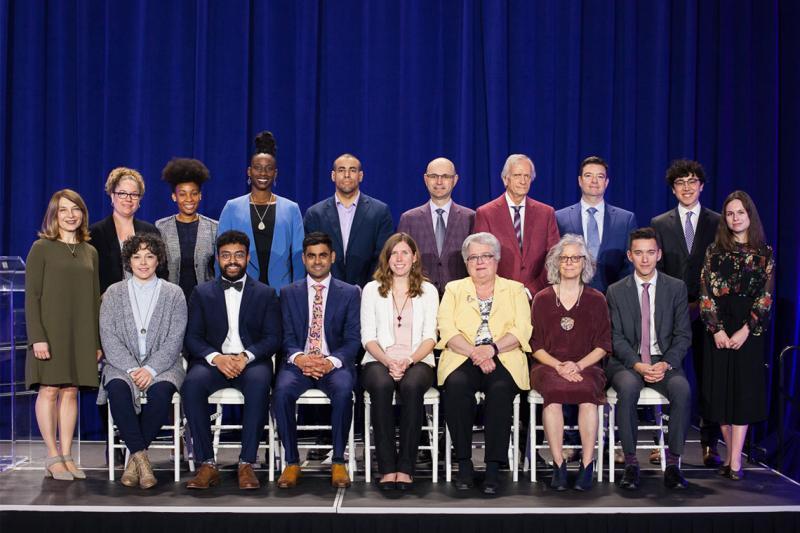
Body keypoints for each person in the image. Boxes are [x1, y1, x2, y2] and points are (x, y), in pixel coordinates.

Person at [181, 230, 281, 490]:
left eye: (238, 255)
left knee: (260, 385)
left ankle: (247, 463)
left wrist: (245, 357)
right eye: (226, 255)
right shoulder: (201, 293)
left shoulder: (265, 293)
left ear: (248, 258)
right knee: (192, 385)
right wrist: (217, 358)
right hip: (213, 362)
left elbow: (273, 338)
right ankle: (207, 464)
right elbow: (192, 338)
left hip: (251, 361)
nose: (232, 260)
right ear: (218, 259)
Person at [437, 232, 532, 495]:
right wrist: (475, 353)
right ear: (466, 263)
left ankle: (493, 468)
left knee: (500, 390)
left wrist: (490, 349)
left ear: (497, 260)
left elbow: (522, 329)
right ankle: (464, 465)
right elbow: (446, 328)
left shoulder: (514, 290)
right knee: (456, 387)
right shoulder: (455, 289)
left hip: (504, 355)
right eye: (473, 258)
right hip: (463, 355)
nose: (480, 262)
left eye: (486, 256)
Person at [97, 233, 187, 489]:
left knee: (160, 395)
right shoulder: (113, 293)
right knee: (117, 389)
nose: (143, 262)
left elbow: (175, 339)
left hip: (164, 366)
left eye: (149, 256)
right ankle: (142, 461)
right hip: (122, 365)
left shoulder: (174, 294)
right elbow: (109, 337)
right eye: (137, 257)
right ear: (129, 261)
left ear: (158, 259)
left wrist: (150, 368)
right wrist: (133, 368)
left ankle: (133, 463)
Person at [606, 227, 692, 490]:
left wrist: (666, 363)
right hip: (628, 361)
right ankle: (631, 463)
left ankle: (674, 464)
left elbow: (683, 335)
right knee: (629, 389)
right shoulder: (616, 291)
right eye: (639, 253)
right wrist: (638, 364)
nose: (645, 259)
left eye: (650, 253)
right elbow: (616, 337)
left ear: (659, 254)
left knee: (682, 390)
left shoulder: (675, 288)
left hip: (663, 360)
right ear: (630, 256)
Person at [273, 232, 362, 489]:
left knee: (345, 391)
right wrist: (301, 358)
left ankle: (337, 460)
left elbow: (352, 339)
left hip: (333, 364)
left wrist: (330, 361)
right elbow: (286, 336)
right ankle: (291, 462)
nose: (317, 261)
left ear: (332, 257)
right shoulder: (289, 292)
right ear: (303, 259)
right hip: (299, 364)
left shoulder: (349, 293)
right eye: (311, 256)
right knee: (281, 392)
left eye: (323, 255)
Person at [25, 189, 102, 480]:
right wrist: (37, 337)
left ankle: (68, 454)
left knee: (71, 391)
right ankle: (52, 456)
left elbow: (95, 298)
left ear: (83, 213)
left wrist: (95, 342)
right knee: (50, 390)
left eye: (76, 209)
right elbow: (32, 297)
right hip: (50, 332)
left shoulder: (90, 251)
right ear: (54, 215)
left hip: (81, 333)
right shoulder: (41, 248)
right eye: (63, 210)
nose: (70, 215)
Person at [651, 159, 722, 467]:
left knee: (709, 379)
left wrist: (702, 304)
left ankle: (709, 444)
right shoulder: (660, 223)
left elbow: (721, 270)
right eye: (681, 183)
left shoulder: (718, 222)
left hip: (709, 314)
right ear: (673, 189)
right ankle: (660, 443)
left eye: (692, 181)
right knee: (665, 376)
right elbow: (657, 268)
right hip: (671, 313)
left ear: (701, 185)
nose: (687, 187)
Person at [699, 191, 774, 481]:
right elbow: (705, 292)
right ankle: (731, 455)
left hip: (749, 330)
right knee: (720, 396)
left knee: (741, 395)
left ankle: (736, 463)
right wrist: (716, 329)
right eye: (730, 213)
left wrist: (746, 330)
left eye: (740, 212)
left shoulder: (764, 253)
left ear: (749, 215)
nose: (735, 218)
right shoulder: (713, 251)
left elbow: (766, 298)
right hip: (717, 328)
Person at [530, 234, 611, 491]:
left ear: (584, 263)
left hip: (586, 366)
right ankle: (558, 465)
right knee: (553, 393)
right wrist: (559, 366)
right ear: (556, 262)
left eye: (576, 258)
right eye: (564, 258)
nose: (569, 263)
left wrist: (577, 366)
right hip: (548, 366)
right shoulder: (542, 298)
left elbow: (603, 345)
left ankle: (587, 465)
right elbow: (535, 346)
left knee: (588, 394)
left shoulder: (596, 299)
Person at [360, 233, 439, 490]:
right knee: (381, 387)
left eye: (405, 252)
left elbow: (430, 337)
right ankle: (386, 467)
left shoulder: (428, 291)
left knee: (411, 387)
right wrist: (387, 360)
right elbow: (367, 336)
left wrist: (407, 360)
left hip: (418, 359)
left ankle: (406, 466)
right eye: (394, 253)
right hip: (377, 358)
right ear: (387, 258)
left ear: (414, 257)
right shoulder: (372, 290)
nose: (399, 258)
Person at [217, 131, 305, 289]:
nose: (263, 173)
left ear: (275, 173)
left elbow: (298, 259)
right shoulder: (232, 208)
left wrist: (296, 294)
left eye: (268, 168)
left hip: (281, 294)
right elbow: (220, 254)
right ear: (249, 171)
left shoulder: (291, 209)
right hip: (241, 292)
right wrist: (221, 291)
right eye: (257, 168)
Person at [474, 154, 560, 299]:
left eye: (527, 176)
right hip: (499, 297)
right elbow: (481, 259)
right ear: (505, 179)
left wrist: (531, 290)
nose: (523, 181)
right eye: (517, 175)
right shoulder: (485, 213)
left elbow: (554, 258)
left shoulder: (546, 213)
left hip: (537, 297)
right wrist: (504, 291)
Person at [304, 153, 394, 287]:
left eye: (352, 170)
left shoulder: (380, 212)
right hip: (326, 293)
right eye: (341, 170)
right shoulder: (315, 214)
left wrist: (368, 289)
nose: (347, 175)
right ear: (333, 176)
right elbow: (311, 257)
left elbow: (383, 257)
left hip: (366, 294)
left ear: (360, 176)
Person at [555, 156, 637, 292]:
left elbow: (630, 263)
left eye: (600, 176)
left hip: (614, 297)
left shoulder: (626, 219)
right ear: (580, 181)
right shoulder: (559, 217)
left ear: (606, 182)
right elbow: (555, 260)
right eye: (588, 176)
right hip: (571, 294)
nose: (594, 181)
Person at [397, 157, 475, 295]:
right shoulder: (409, 219)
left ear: (455, 180)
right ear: (426, 179)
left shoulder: (470, 218)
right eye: (434, 176)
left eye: (445, 176)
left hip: (460, 297)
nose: (439, 182)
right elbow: (401, 263)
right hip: (420, 297)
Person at [89, 167, 163, 294]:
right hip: (107, 303)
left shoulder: (150, 231)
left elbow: (161, 270)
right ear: (112, 196)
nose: (128, 199)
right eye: (122, 193)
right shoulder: (95, 233)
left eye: (134, 194)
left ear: (139, 199)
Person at [155, 157, 218, 303]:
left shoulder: (214, 228)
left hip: (206, 303)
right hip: (169, 302)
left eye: (194, 193)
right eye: (182, 194)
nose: (189, 199)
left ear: (200, 196)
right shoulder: (161, 227)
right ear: (174, 197)